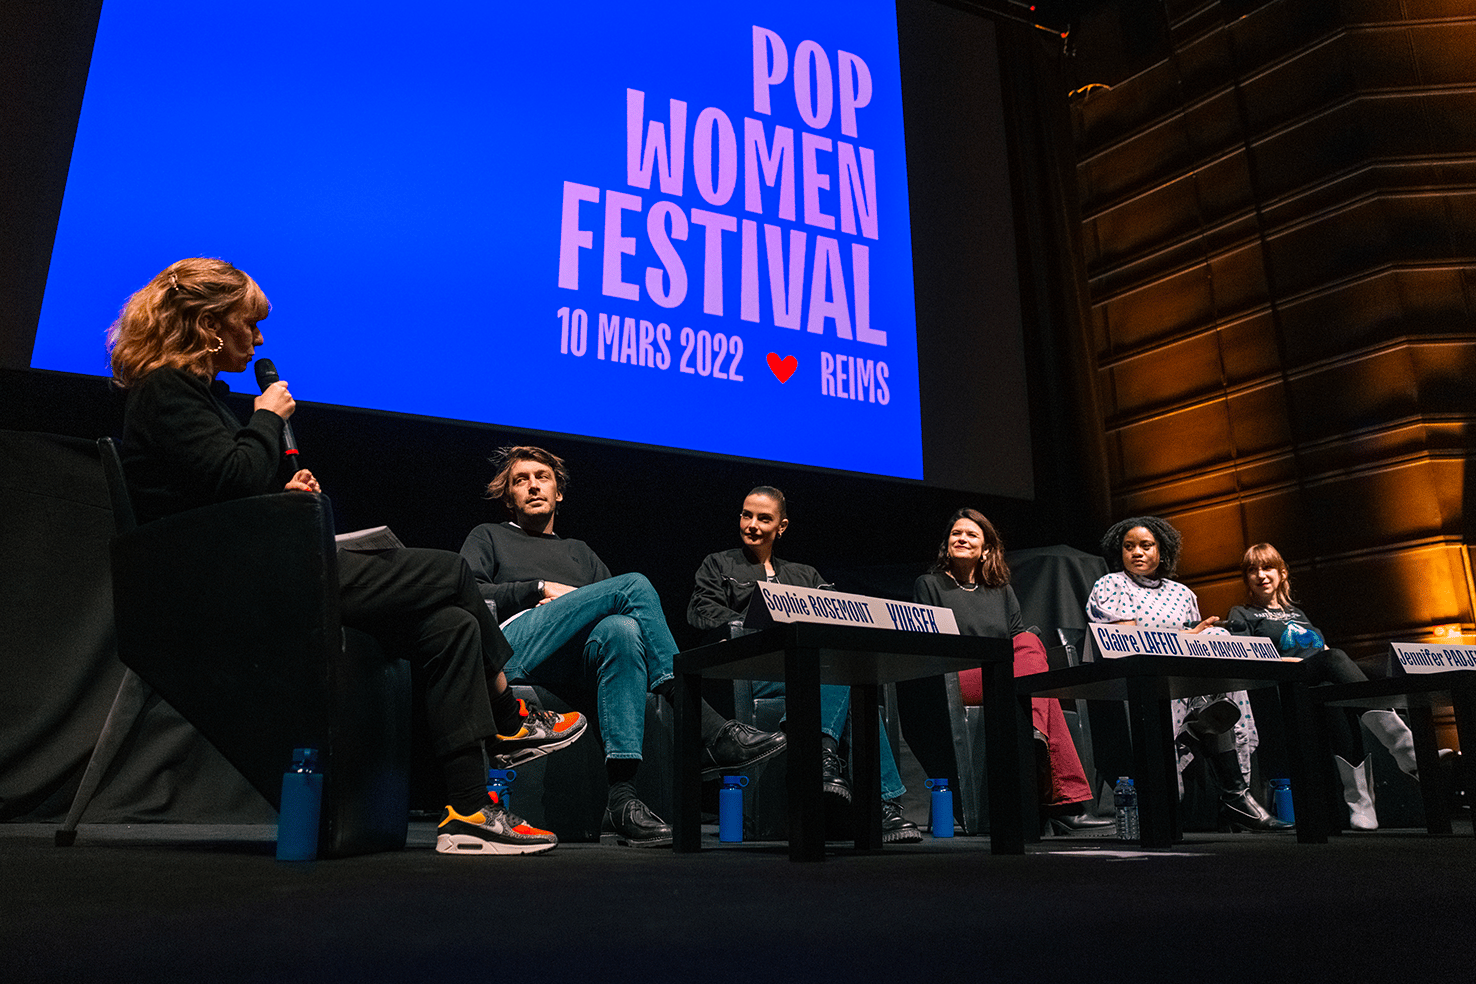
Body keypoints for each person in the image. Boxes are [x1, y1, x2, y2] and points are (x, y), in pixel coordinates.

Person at [109, 257, 584, 857]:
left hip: (259, 569)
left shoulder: (193, 396)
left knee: (451, 624)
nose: (257, 339)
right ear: (209, 324)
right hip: (233, 588)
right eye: (248, 324)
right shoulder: (166, 390)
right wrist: (263, 420)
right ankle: (508, 714)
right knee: (451, 571)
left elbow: (214, 490)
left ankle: (469, 810)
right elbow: (229, 477)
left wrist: (281, 496)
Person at [460, 447, 787, 848]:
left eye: (542, 477)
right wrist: (539, 589)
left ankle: (621, 800)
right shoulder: (489, 536)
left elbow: (626, 611)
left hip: (575, 657)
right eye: (520, 480)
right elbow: (468, 590)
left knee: (623, 629)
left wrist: (578, 608)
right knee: (633, 584)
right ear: (509, 496)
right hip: (516, 646)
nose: (532, 485)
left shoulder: (580, 550)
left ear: (558, 492)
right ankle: (707, 724)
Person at [687, 486, 922, 843]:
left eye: (763, 518)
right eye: (746, 515)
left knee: (848, 676)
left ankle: (850, 782)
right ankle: (878, 801)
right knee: (833, 671)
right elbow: (702, 613)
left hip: (803, 669)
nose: (752, 524)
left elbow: (836, 618)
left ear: (781, 527)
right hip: (755, 671)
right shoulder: (718, 564)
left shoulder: (805, 575)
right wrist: (765, 623)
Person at [1085, 516, 1291, 832]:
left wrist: (1196, 634)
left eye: (1145, 545)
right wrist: (1183, 636)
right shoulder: (1111, 584)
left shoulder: (1182, 593)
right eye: (1129, 547)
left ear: (1162, 552)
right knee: (1189, 676)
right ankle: (1208, 737)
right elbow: (1125, 637)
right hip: (1141, 677)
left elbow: (1189, 637)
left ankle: (1215, 737)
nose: (1137, 552)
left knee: (1219, 638)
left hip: (1187, 675)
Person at [911, 509, 1111, 833]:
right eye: (956, 534)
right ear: (946, 544)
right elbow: (933, 641)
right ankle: (1065, 802)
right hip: (958, 677)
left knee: (1029, 641)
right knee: (1037, 691)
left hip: (1003, 677)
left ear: (986, 549)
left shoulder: (1000, 590)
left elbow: (1018, 638)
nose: (962, 538)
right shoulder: (930, 585)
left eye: (971, 535)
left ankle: (1032, 733)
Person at [1225, 542, 1418, 829]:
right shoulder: (1243, 613)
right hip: (1286, 682)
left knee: (1339, 692)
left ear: (1282, 573)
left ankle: (1362, 805)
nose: (1260, 575)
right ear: (1247, 578)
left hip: (1317, 679)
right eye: (1252, 570)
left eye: (1267, 567)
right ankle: (1406, 749)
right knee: (1335, 658)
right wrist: (1289, 662)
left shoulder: (1298, 614)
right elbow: (1246, 656)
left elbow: (1321, 649)